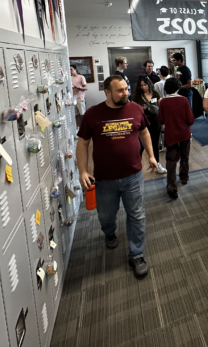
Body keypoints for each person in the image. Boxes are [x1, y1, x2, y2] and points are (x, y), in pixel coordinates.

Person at [76, 75, 158, 278]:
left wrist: (151, 155)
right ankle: (109, 231)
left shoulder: (135, 109)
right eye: (120, 90)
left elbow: (144, 132)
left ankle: (137, 254)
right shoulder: (93, 114)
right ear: (107, 92)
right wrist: (83, 171)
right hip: (104, 178)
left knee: (136, 214)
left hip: (133, 175)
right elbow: (83, 143)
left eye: (126, 89)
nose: (125, 93)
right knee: (106, 215)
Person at [157, 78, 194, 199]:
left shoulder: (163, 102)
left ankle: (171, 186)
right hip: (184, 133)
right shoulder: (183, 100)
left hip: (170, 134)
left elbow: (161, 120)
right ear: (178, 87)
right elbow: (190, 119)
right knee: (185, 156)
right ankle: (184, 177)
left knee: (171, 160)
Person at [131, 76, 165, 174]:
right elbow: (132, 110)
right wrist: (140, 110)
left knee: (155, 143)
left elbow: (161, 106)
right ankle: (136, 167)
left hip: (155, 120)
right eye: (141, 85)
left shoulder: (155, 93)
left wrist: (163, 122)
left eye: (145, 85)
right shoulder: (136, 95)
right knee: (140, 145)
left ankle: (157, 164)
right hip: (142, 121)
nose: (143, 87)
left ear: (148, 84)